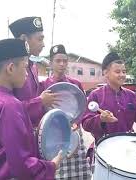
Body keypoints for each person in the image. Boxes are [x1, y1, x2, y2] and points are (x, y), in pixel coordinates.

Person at [0, 39, 63, 179]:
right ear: (11, 68)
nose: (27, 74)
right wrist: (52, 166)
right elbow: (21, 164)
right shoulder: (10, 105)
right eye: (24, 67)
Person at [81, 52, 136, 164]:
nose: (122, 75)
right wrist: (100, 119)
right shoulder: (95, 95)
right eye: (117, 71)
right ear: (106, 73)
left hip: (128, 148)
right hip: (103, 148)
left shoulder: (132, 96)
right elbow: (86, 123)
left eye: (124, 72)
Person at [40, 44, 91, 179]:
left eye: (65, 61)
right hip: (52, 133)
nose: (62, 64)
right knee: (56, 170)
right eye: (58, 61)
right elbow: (41, 110)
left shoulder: (75, 84)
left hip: (73, 129)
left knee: (80, 172)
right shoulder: (43, 85)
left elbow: (82, 106)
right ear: (50, 63)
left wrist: (76, 122)